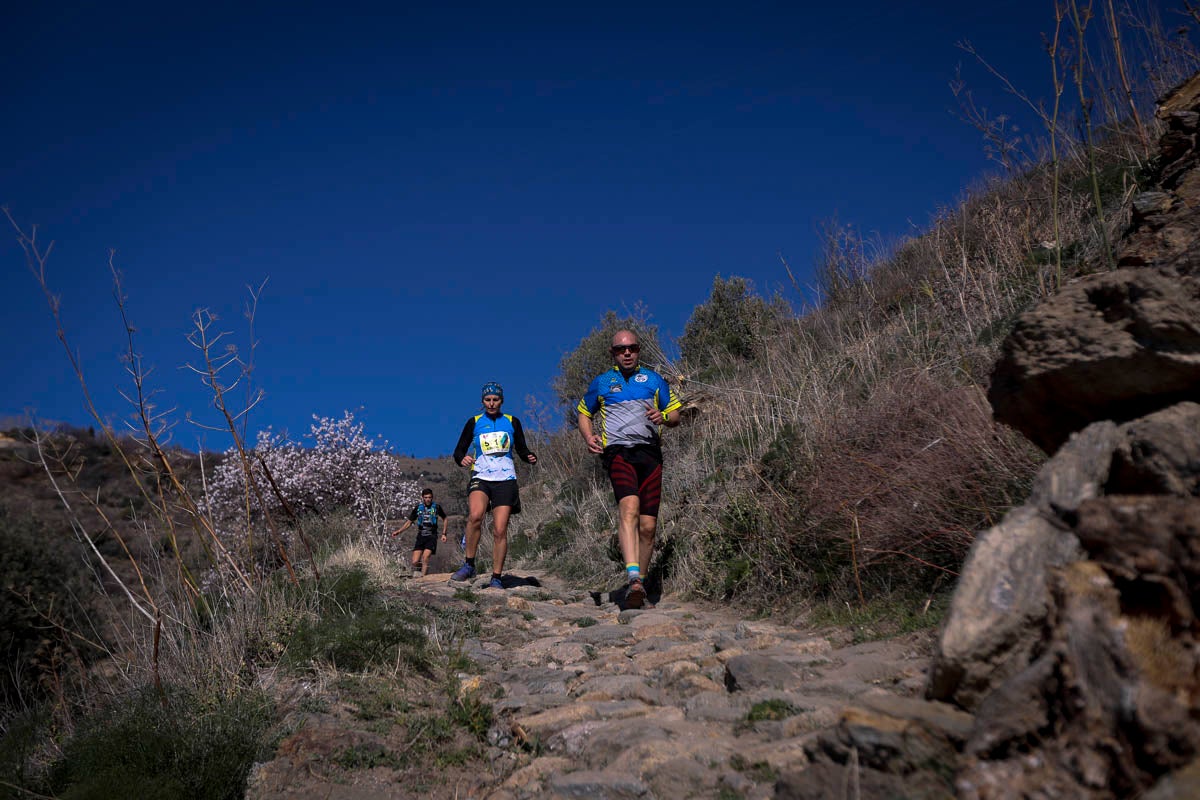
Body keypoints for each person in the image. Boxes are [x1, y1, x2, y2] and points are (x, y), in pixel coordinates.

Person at [577, 330, 682, 608]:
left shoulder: (654, 380)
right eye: (621, 349)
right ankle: (633, 577)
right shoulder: (602, 382)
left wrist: (664, 417)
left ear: (638, 351)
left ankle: (641, 585)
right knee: (629, 507)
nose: (627, 353)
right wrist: (589, 437)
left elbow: (675, 414)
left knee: (648, 527)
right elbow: (584, 412)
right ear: (612, 353)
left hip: (650, 454)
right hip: (618, 453)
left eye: (632, 348)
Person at [450, 382, 537, 589]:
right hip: (481, 476)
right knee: (475, 516)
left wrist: (529, 457)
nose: (491, 403)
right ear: (482, 401)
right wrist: (461, 459)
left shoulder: (512, 422)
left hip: (505, 479)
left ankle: (496, 577)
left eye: (495, 400)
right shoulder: (474, 422)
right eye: (488, 400)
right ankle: (469, 564)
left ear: (501, 401)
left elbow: (522, 449)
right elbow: (458, 451)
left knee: (500, 529)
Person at [391, 488, 447, 578]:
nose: (428, 499)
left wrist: (444, 534)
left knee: (425, 557)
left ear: (432, 498)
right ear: (422, 498)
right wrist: (399, 531)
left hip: (432, 536)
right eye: (426, 497)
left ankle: (423, 578)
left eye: (429, 497)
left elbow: (445, 518)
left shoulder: (436, 507)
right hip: (421, 536)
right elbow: (409, 522)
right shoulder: (418, 508)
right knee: (415, 561)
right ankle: (422, 568)